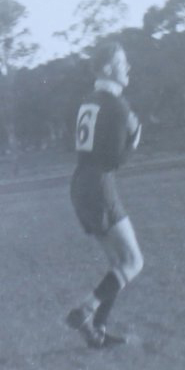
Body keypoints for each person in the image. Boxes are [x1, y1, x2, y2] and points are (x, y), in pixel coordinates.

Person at [66, 40, 144, 349]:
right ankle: (86, 311)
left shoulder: (90, 101)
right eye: (123, 62)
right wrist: (134, 140)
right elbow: (114, 160)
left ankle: (97, 330)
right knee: (133, 262)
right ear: (109, 68)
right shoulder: (116, 106)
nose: (128, 68)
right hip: (99, 185)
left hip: (80, 184)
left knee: (118, 262)